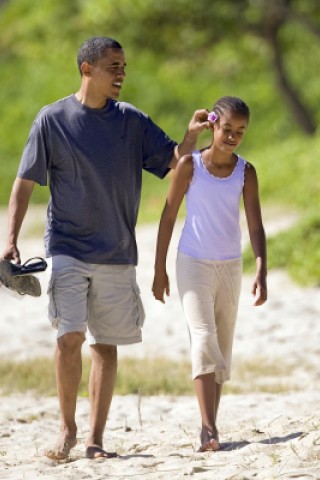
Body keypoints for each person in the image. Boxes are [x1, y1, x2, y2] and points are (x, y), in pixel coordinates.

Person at [1, 36, 210, 460]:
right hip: (67, 245)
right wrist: (9, 239)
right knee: (69, 336)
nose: (121, 73)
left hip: (116, 248)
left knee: (105, 344)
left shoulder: (131, 121)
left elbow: (173, 160)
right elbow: (24, 183)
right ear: (86, 69)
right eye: (113, 65)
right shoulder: (52, 120)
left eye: (123, 66)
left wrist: (190, 136)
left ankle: (95, 440)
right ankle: (66, 430)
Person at [152, 96, 267, 452]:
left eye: (240, 131)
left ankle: (211, 426)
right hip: (192, 263)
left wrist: (261, 266)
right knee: (203, 338)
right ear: (213, 125)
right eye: (227, 128)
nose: (232, 136)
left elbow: (256, 225)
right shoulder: (190, 166)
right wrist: (159, 269)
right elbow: (168, 216)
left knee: (222, 347)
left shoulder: (246, 172)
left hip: (230, 266)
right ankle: (208, 428)